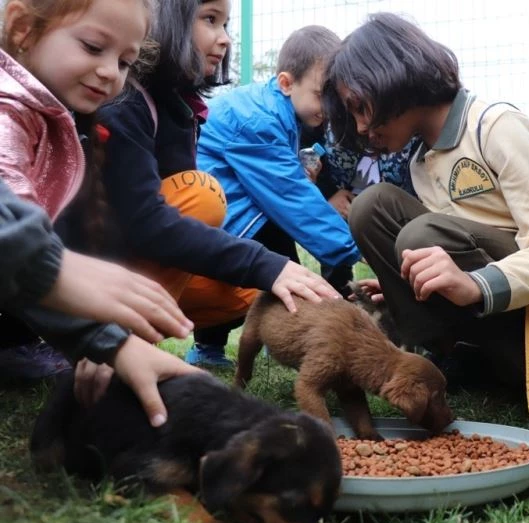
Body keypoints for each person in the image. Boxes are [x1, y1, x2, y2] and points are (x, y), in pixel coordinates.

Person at [323, 12, 529, 433]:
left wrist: (475, 285)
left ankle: (519, 364)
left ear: (393, 77)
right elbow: (463, 241)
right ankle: (454, 353)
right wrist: (400, 286)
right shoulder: (422, 161)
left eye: (360, 107)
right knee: (373, 206)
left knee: (421, 234)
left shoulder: (496, 126)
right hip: (496, 313)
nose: (362, 126)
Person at [52, 0, 340, 370]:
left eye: (226, 25)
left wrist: (271, 272)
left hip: (132, 260)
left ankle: (136, 337)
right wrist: (269, 262)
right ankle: (118, 343)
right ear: (167, 19)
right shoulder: (126, 103)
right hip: (87, 264)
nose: (223, 39)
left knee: (257, 290)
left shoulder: (181, 107)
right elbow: (147, 222)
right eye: (209, 20)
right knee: (201, 194)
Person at [0, 0, 201, 427]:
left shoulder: (49, 115)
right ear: (21, 28)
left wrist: (104, 342)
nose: (111, 71)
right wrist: (56, 269)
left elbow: (17, 258)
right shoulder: (8, 104)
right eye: (93, 47)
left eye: (126, 61)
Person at [196, 25, 359, 359]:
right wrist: (350, 250)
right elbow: (291, 197)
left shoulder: (283, 112)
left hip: (236, 207)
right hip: (221, 214)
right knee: (274, 265)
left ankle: (234, 343)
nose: (328, 109)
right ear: (286, 83)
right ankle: (238, 342)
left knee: (277, 259)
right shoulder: (258, 120)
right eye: (320, 96)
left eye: (334, 99)